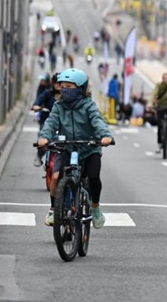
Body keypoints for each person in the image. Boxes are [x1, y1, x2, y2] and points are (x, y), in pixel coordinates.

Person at [36, 68, 113, 228]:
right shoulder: (59, 106)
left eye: (69, 87)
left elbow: (98, 120)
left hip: (89, 148)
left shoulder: (89, 105)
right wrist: (44, 137)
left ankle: (95, 208)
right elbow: (51, 122)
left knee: (93, 177)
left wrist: (105, 136)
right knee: (56, 177)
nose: (65, 90)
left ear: (81, 89)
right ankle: (53, 209)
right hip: (67, 148)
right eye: (63, 86)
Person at [32, 73, 61, 166]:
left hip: (62, 123)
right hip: (46, 120)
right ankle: (39, 155)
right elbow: (39, 99)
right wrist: (36, 105)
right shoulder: (48, 93)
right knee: (43, 137)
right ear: (52, 83)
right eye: (56, 82)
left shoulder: (66, 95)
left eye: (60, 83)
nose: (58, 85)